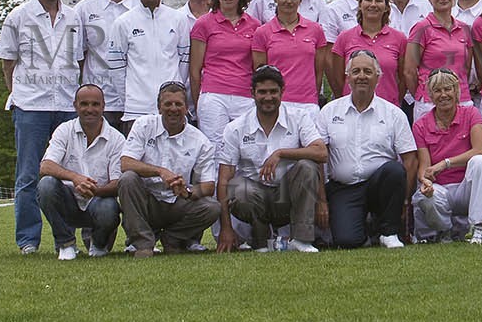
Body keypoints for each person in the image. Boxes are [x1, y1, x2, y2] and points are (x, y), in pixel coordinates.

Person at [0, 0, 82, 254]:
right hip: (31, 106)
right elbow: (8, 63)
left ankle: (67, 237)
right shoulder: (18, 17)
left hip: (67, 104)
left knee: (69, 174)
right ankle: (28, 240)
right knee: (28, 175)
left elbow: (79, 60)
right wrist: (18, 96)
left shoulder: (73, 18)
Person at [216, 67, 326, 253]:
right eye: (262, 92)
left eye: (273, 91)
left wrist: (282, 153)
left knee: (307, 166)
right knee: (237, 186)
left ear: (282, 91)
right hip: (255, 196)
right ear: (252, 93)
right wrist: (226, 229)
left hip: (288, 195)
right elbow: (224, 179)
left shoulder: (299, 118)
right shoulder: (235, 128)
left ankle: (301, 240)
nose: (268, 97)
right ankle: (260, 240)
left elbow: (321, 153)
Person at [316, 49, 417, 248]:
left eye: (368, 72)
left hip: (381, 187)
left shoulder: (394, 114)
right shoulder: (329, 111)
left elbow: (410, 160)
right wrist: (321, 199)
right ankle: (368, 230)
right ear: (348, 77)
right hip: (344, 188)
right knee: (347, 241)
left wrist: (404, 201)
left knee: (395, 170)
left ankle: (389, 232)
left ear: (378, 77)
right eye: (356, 71)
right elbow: (319, 159)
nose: (362, 76)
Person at [118, 83, 220, 254]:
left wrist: (187, 191)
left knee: (212, 207)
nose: (173, 109)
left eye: (178, 104)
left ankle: (172, 239)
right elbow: (126, 163)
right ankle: (143, 244)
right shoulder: (143, 125)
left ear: (187, 108)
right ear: (159, 107)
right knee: (128, 179)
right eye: (168, 104)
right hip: (147, 200)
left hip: (177, 202)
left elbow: (208, 186)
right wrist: (160, 171)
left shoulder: (200, 141)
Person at [37, 84, 125, 259]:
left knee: (110, 207)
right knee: (46, 185)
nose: (89, 109)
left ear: (103, 106)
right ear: (75, 105)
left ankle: (98, 245)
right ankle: (66, 243)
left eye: (95, 104)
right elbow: (45, 166)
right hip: (67, 201)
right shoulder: (64, 130)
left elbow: (117, 183)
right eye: (84, 104)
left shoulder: (117, 139)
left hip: (98, 203)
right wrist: (76, 179)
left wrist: (94, 190)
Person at [413, 68, 482, 244]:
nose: (443, 95)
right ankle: (445, 231)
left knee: (480, 162)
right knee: (425, 196)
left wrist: (445, 163)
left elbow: (479, 149)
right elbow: (424, 165)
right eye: (437, 90)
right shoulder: (421, 125)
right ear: (430, 95)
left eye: (447, 89)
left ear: (456, 91)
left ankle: (480, 228)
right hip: (441, 188)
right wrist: (425, 180)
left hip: (467, 186)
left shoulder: (471, 113)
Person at [189, 0, 258, 155]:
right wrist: (198, 104)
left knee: (247, 151)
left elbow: (257, 66)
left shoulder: (255, 26)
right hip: (213, 96)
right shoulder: (203, 24)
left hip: (245, 96)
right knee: (215, 151)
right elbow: (194, 71)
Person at [115, 0, 187, 129]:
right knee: (135, 156)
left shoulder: (178, 19)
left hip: (172, 108)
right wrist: (130, 99)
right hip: (136, 110)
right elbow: (117, 69)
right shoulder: (123, 22)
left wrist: (176, 93)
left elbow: (184, 62)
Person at [74, 0, 136, 131]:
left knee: (134, 159)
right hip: (98, 103)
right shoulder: (84, 9)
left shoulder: (142, 6)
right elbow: (79, 57)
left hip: (136, 102)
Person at [251, 0, 327, 113]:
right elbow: (260, 73)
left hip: (308, 104)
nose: (289, 1)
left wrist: (313, 97)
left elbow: (318, 72)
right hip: (277, 104)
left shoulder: (316, 30)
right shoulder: (262, 32)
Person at [405, 0, 474, 122]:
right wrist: (425, 93)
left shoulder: (465, 29)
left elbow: (466, 69)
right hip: (430, 104)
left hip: (462, 100)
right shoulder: (420, 28)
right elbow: (409, 71)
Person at [330, 0, 407, 104]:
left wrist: (393, 100)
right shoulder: (344, 38)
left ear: (387, 7)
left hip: (387, 110)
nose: (373, 4)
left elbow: (403, 79)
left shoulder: (400, 39)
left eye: (379, 0)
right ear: (360, 5)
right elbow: (338, 79)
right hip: (352, 109)